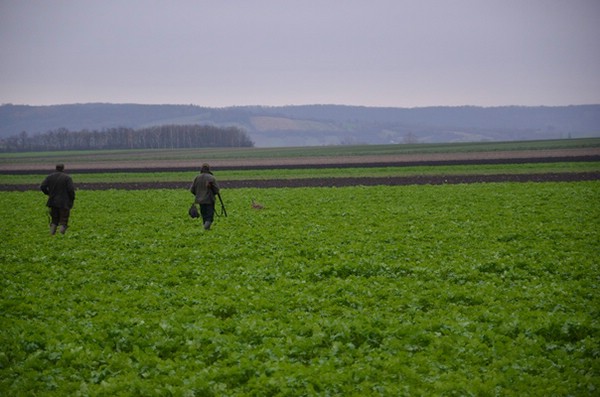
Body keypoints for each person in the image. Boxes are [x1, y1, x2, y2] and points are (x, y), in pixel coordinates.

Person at [40, 163, 76, 235]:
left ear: (56, 168)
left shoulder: (50, 177)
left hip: (53, 202)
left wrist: (49, 193)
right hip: (64, 203)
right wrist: (72, 199)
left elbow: (42, 187)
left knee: (54, 220)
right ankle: (60, 236)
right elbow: (71, 190)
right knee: (64, 220)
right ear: (63, 168)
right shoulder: (67, 178)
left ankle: (52, 235)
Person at [190, 163, 220, 230]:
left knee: (204, 215)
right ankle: (206, 228)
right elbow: (216, 190)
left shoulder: (197, 178)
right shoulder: (211, 178)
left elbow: (192, 190)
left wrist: (198, 194)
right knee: (209, 217)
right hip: (209, 200)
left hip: (200, 201)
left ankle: (206, 228)